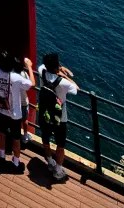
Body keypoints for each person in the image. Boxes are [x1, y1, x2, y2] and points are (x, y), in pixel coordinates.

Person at [0, 52, 34, 171]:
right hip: (15, 114)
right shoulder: (16, 78)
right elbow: (32, 84)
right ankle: (16, 162)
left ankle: (2, 155)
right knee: (16, 138)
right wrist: (29, 66)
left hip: (0, 109)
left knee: (2, 133)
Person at [37, 52, 78, 181]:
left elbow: (43, 65)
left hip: (44, 114)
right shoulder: (64, 83)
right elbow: (77, 89)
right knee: (60, 145)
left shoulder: (41, 71)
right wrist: (64, 75)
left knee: (46, 139)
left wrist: (57, 68)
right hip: (60, 118)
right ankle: (58, 170)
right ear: (57, 67)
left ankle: (50, 162)